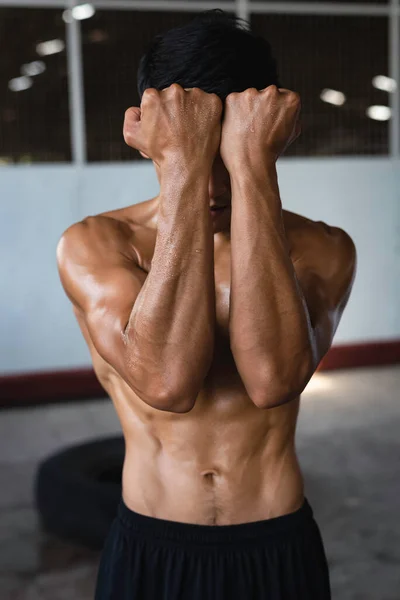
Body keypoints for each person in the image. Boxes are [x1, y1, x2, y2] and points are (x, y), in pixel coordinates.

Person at [57, 9, 356, 600]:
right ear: (146, 135)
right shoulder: (94, 244)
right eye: (197, 150)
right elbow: (167, 381)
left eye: (229, 151)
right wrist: (186, 164)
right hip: (151, 542)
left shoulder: (323, 247)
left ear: (272, 132)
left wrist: (253, 168)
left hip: (275, 544)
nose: (215, 185)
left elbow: (272, 379)